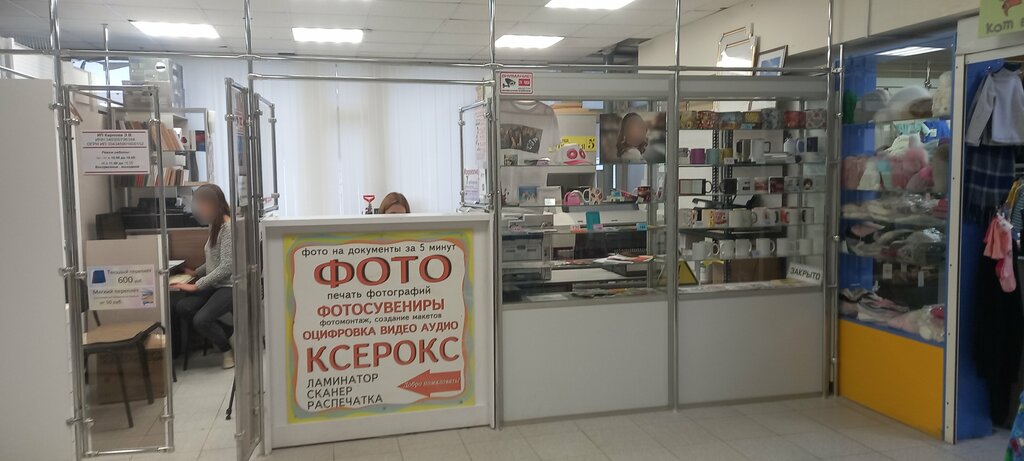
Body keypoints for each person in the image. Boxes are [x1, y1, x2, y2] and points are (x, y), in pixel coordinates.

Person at [172, 184, 235, 369]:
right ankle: (228, 332)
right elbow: (214, 260)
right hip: (216, 283)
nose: (198, 209)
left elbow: (227, 267)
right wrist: (196, 273)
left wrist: (196, 285)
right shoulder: (215, 224)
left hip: (229, 285)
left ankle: (226, 350)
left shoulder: (228, 228)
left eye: (202, 204)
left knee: (201, 320)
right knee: (183, 307)